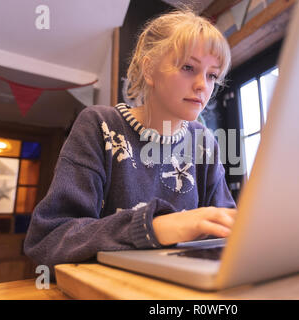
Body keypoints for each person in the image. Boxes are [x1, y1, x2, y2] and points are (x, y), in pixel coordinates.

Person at [24, 9, 237, 278]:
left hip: (184, 287)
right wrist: (153, 228)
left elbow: (226, 227)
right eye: (188, 67)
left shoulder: (204, 142)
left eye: (212, 75)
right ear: (149, 69)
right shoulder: (100, 125)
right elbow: (48, 240)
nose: (202, 86)